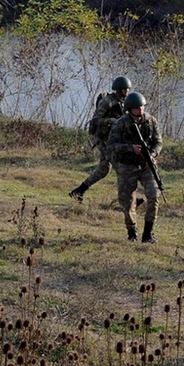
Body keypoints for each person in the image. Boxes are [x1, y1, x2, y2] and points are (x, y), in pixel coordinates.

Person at [105, 92, 163, 243]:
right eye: (137, 108)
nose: (141, 110)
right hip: (127, 165)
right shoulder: (121, 124)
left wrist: (151, 155)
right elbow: (111, 146)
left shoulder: (151, 121)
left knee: (154, 195)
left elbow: (158, 142)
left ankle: (148, 233)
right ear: (130, 109)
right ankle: (132, 231)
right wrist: (130, 148)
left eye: (142, 107)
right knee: (127, 199)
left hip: (146, 165)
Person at [69, 76, 133, 201]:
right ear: (118, 89)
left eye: (128, 89)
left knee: (104, 170)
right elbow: (96, 120)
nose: (127, 92)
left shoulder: (124, 102)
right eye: (125, 89)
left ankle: (78, 191)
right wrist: (112, 121)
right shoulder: (107, 102)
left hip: (114, 139)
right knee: (121, 168)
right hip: (104, 140)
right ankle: (129, 199)